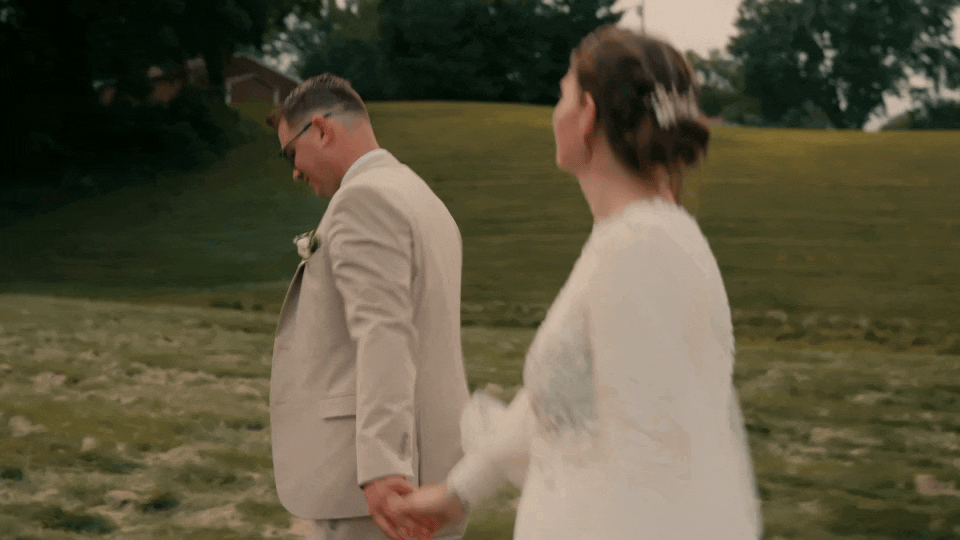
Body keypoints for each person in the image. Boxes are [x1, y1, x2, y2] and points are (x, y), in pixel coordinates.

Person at [392, 25, 763, 540]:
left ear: (586, 115)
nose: (555, 111)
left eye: (561, 93)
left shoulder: (642, 248)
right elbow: (565, 400)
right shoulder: (629, 238)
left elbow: (654, 457)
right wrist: (459, 492)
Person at [266, 74, 470, 540]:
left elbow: (384, 334)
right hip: (439, 468)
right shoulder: (422, 197)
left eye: (289, 153)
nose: (294, 171)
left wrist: (382, 468)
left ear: (321, 129)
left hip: (378, 490)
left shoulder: (363, 199)